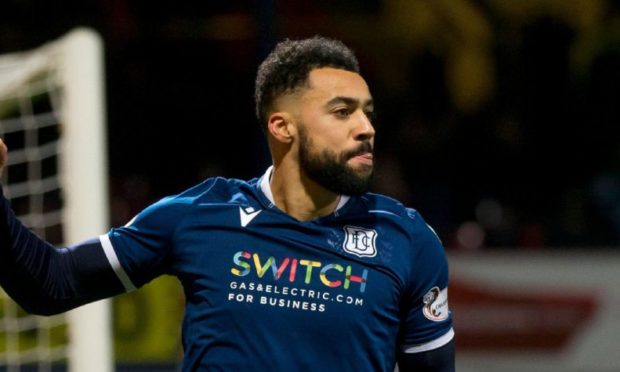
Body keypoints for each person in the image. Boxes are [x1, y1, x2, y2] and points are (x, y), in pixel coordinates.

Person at [0, 36, 454, 371]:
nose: (365, 127)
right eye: (342, 112)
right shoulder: (199, 215)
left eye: (367, 112)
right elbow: (49, 284)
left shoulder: (407, 238)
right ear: (282, 127)